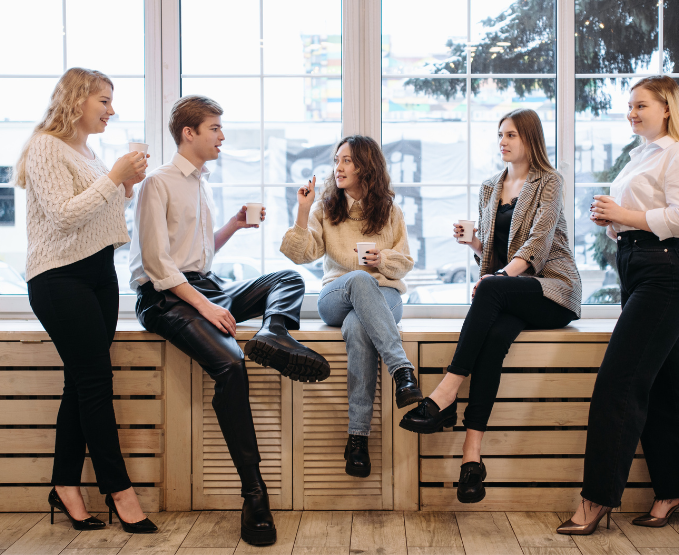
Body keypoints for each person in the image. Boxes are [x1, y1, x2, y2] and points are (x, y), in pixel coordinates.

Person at [130, 95, 329, 547]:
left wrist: (233, 227)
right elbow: (159, 266)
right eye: (215, 128)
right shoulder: (157, 184)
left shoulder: (200, 183)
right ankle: (254, 493)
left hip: (203, 284)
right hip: (165, 298)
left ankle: (274, 333)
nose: (222, 136)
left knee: (286, 277)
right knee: (231, 365)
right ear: (189, 133)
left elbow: (195, 255)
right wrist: (206, 307)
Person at [399, 108, 581, 504]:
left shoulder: (549, 182)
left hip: (552, 291)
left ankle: (446, 393)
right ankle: (472, 460)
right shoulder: (489, 187)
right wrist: (477, 246)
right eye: (500, 134)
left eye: (511, 134)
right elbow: (497, 257)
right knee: (495, 337)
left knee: (491, 292)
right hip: (512, 292)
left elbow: (537, 244)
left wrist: (497, 281)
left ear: (530, 138)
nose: (503, 141)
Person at [559, 75, 679, 535]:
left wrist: (623, 215)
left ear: (667, 108)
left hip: (666, 276)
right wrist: (613, 223)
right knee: (664, 386)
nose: (632, 112)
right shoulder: (640, 156)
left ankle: (596, 500)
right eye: (629, 106)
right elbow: (641, 217)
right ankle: (674, 488)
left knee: (618, 383)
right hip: (639, 267)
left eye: (641, 105)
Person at [17, 67, 156, 533]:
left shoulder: (88, 152)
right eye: (104, 101)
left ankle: (65, 486)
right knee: (95, 384)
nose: (111, 110)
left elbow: (99, 212)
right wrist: (114, 176)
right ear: (77, 101)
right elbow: (61, 218)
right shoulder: (44, 147)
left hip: (98, 274)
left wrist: (125, 183)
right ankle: (120, 491)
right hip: (59, 278)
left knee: (80, 386)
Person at [281, 135, 423, 478]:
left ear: (366, 166)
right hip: (336, 296)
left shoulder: (390, 211)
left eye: (347, 160)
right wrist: (302, 210)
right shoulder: (325, 209)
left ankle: (357, 440)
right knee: (360, 279)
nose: (338, 167)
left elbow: (404, 263)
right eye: (337, 160)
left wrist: (382, 257)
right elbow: (301, 254)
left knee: (359, 328)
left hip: (383, 296)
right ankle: (402, 370)